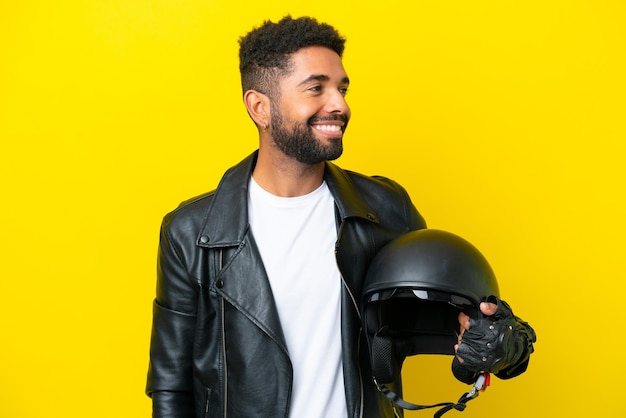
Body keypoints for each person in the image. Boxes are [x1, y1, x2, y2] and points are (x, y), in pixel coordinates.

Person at [146, 16, 534, 418]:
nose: (340, 105)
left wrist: (500, 343)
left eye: (342, 88)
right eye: (316, 88)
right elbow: (170, 388)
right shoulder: (191, 234)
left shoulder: (384, 208)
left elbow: (471, 329)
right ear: (260, 106)